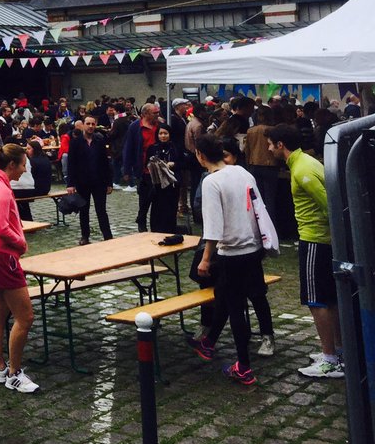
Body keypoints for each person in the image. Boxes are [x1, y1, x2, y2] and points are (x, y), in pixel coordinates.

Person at [188, 135, 267, 386]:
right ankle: (209, 342)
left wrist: (205, 259)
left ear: (201, 155)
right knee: (223, 294)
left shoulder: (211, 181)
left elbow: (213, 226)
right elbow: (257, 208)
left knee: (235, 307)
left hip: (231, 252)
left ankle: (243, 366)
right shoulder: (242, 172)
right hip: (253, 247)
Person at [267, 124, 343, 378]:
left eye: (271, 144)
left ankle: (330, 359)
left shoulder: (302, 169)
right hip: (322, 240)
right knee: (329, 299)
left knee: (316, 301)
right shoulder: (306, 162)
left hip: (314, 241)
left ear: (280, 145)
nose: (269, 149)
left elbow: (329, 205)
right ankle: (338, 352)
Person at [0, 144, 39, 393]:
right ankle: (14, 373)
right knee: (25, 317)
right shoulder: (2, 190)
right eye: (23, 164)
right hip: (3, 256)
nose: (24, 169)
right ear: (11, 164)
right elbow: (2, 228)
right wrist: (21, 243)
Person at [66, 117, 114, 245]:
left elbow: (105, 163)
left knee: (101, 210)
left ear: (96, 125)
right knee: (84, 210)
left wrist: (109, 183)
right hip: (82, 182)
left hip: (99, 182)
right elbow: (71, 164)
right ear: (83, 125)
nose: (91, 126)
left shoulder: (100, 141)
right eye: (88, 124)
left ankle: (107, 236)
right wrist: (70, 184)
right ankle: (85, 236)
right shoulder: (75, 142)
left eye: (93, 124)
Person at [123, 102, 161, 225]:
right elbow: (129, 148)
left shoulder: (159, 125)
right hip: (143, 168)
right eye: (154, 113)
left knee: (157, 200)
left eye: (158, 112)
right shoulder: (135, 127)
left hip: (158, 168)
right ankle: (141, 222)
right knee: (144, 199)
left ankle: (155, 225)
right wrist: (127, 170)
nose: (157, 115)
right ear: (145, 114)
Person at [142, 124, 181, 233]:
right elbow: (146, 164)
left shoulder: (175, 148)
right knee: (157, 210)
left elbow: (182, 163)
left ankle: (170, 231)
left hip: (172, 184)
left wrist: (173, 164)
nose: (163, 136)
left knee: (170, 210)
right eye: (161, 133)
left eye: (165, 133)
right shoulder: (152, 148)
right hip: (157, 184)